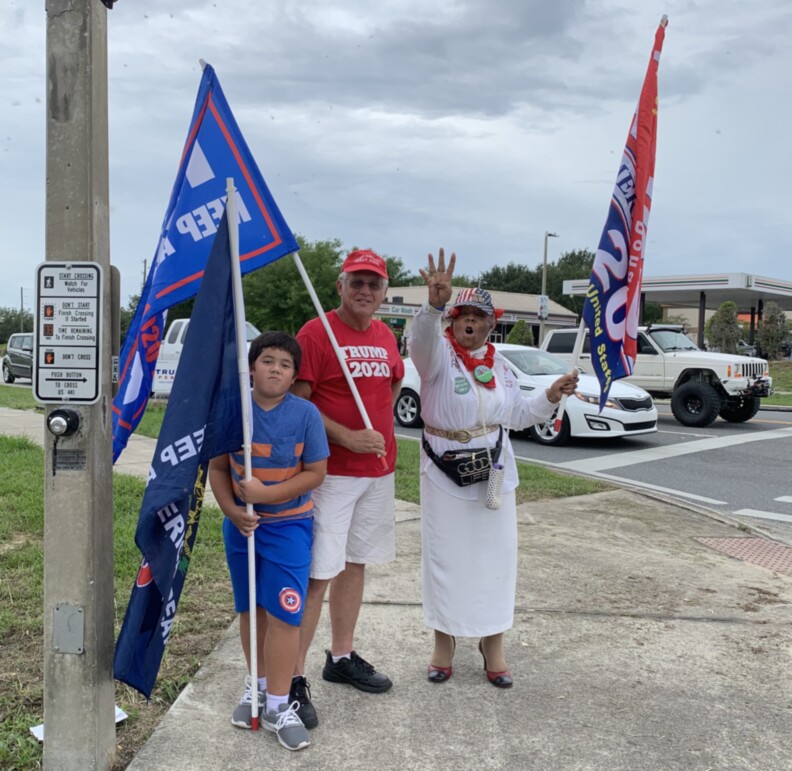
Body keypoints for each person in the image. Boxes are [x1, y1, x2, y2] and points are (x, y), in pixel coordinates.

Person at [409, 249, 578, 688]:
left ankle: (492, 642)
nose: (468, 321)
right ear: (452, 321)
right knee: (445, 559)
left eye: (477, 316)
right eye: (461, 314)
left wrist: (551, 396)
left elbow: (519, 415)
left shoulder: (499, 366)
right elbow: (419, 341)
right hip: (445, 470)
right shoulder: (437, 358)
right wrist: (433, 305)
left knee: (496, 560)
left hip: (494, 472)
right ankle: (443, 643)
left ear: (490, 324)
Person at [291, 248, 404, 724]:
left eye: (373, 284)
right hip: (332, 475)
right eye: (356, 282)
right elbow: (299, 403)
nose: (365, 290)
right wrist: (348, 435)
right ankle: (291, 679)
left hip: (378, 474)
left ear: (383, 293)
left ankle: (340, 657)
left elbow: (393, 385)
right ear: (339, 287)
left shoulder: (385, 335)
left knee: (355, 564)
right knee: (319, 574)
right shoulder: (316, 332)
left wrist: (376, 430)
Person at [209, 332, 329, 752]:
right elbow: (219, 470)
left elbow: (315, 472)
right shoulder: (232, 411)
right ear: (252, 366)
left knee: (285, 614)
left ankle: (279, 703)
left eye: (285, 364)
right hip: (243, 530)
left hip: (288, 528)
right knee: (250, 610)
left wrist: (266, 496)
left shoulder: (306, 415)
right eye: (268, 360)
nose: (276, 369)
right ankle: (256, 686)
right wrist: (233, 510)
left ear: (294, 375)